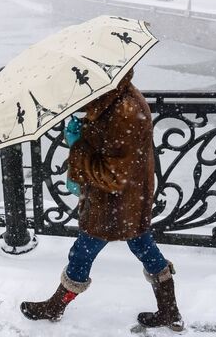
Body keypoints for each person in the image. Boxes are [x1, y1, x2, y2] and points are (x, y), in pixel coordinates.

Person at [19, 69, 184, 332]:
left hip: (114, 204)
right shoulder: (117, 97)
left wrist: (77, 146)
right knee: (142, 246)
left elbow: (112, 174)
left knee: (82, 253)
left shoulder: (124, 111)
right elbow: (111, 147)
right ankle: (169, 311)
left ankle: (56, 306)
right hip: (127, 200)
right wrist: (84, 131)